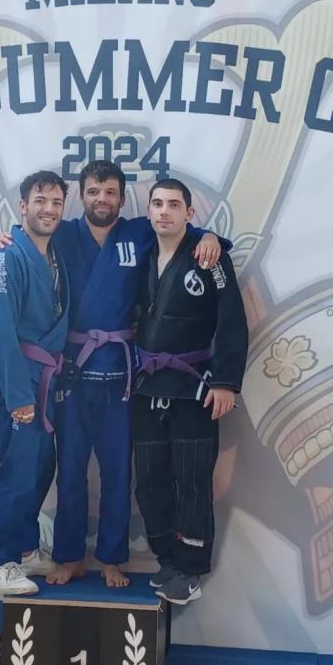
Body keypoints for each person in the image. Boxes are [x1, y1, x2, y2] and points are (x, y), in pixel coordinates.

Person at [0, 160, 225, 588]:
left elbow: (179, 231)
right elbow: (15, 247)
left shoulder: (139, 232)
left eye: (110, 192)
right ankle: (70, 555)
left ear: (122, 198)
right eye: (93, 192)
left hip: (120, 374)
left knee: (117, 473)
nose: (102, 199)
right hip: (70, 375)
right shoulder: (63, 234)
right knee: (70, 471)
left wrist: (210, 238)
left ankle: (112, 557)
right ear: (82, 196)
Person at [131, 178, 248, 605]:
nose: (164, 211)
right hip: (146, 387)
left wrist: (225, 381)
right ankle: (168, 559)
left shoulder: (209, 257)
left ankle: (191, 568)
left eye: (174, 205)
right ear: (148, 211)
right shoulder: (140, 254)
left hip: (195, 387)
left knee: (193, 479)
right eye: (157, 204)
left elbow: (231, 321)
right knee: (149, 481)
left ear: (189, 213)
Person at [0, 170, 70, 596]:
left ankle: (27, 549)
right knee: (17, 471)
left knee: (40, 467)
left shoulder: (55, 254)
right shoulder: (6, 256)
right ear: (22, 207)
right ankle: (0, 563)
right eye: (40, 201)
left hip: (43, 380)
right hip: (17, 380)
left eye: (56, 202)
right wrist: (18, 397)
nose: (48, 209)